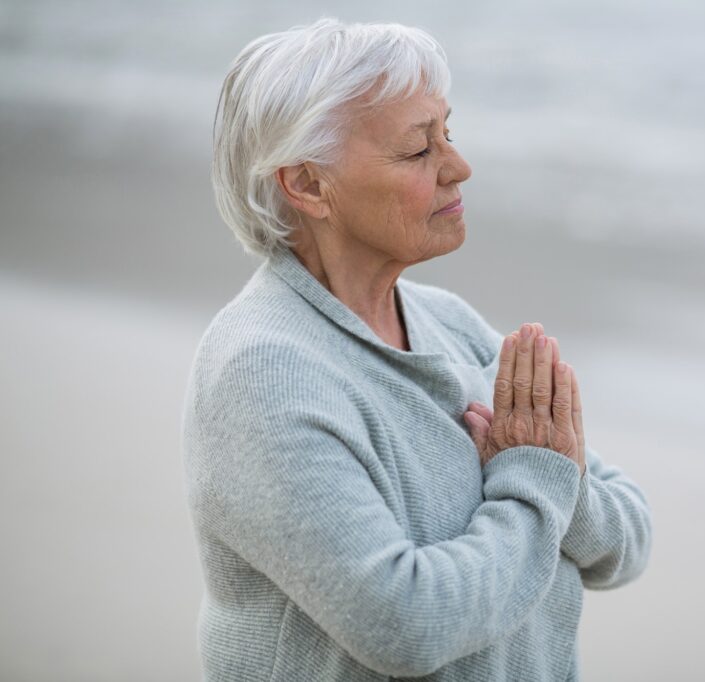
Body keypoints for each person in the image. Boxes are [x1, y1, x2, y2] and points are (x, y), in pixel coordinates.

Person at [182, 18, 652, 681]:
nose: (459, 168)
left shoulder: (449, 323)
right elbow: (405, 623)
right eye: (416, 151)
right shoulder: (263, 372)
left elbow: (627, 540)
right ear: (308, 185)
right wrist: (535, 483)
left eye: (447, 135)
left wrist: (547, 479)